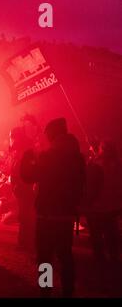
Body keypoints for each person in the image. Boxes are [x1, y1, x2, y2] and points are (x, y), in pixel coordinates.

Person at [21, 118, 86, 297]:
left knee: (45, 257)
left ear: (52, 134)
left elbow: (29, 176)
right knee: (65, 255)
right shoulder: (77, 157)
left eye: (47, 134)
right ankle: (68, 290)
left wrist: (27, 158)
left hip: (47, 214)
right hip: (66, 214)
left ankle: (45, 289)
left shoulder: (48, 156)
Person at [86, 140, 121, 262]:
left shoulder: (97, 164)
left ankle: (99, 257)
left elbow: (90, 179)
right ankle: (114, 255)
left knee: (97, 233)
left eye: (101, 148)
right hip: (113, 205)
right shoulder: (118, 164)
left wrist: (93, 158)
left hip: (98, 205)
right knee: (111, 231)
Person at [10, 126, 36, 250]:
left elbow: (24, 168)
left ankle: (26, 240)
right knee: (24, 212)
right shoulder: (22, 149)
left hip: (25, 185)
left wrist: (17, 182)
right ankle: (25, 239)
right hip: (23, 185)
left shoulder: (24, 149)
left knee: (26, 213)